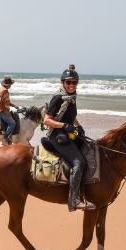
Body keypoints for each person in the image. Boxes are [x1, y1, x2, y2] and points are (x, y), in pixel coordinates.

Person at [43, 64, 95, 212]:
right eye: (68, 82)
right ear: (63, 83)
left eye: (74, 82)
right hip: (57, 135)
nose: (71, 85)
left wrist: (78, 126)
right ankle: (74, 201)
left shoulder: (71, 97)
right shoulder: (58, 98)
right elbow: (47, 120)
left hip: (68, 132)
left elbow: (71, 116)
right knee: (79, 162)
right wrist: (64, 126)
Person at [0, 76, 18, 145]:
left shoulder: (3, 89)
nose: (10, 86)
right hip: (0, 110)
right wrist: (6, 111)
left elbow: (6, 102)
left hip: (2, 109)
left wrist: (14, 105)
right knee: (12, 123)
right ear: (8, 84)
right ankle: (5, 139)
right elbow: (0, 103)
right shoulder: (4, 91)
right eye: (10, 85)